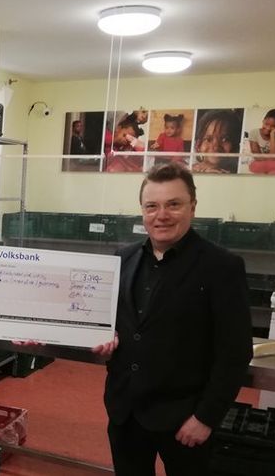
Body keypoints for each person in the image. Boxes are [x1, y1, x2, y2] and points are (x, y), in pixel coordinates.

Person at [92, 162, 253, 476]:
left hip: (185, 420)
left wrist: (206, 418)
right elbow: (114, 323)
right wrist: (107, 337)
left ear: (193, 207)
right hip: (125, 413)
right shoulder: (122, 259)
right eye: (151, 206)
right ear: (142, 210)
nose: (161, 215)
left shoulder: (222, 267)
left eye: (173, 204)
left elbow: (235, 352)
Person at [192, 109, 242, 174]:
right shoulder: (190, 171)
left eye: (224, 139)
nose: (216, 146)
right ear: (198, 145)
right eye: (208, 139)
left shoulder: (240, 173)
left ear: (235, 145)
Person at [248, 109, 275, 175]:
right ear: (263, 120)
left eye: (273, 126)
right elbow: (256, 156)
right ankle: (270, 171)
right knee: (255, 165)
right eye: (266, 124)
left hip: (273, 162)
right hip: (259, 162)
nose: (268, 128)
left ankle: (269, 172)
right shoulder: (254, 132)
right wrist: (270, 160)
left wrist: (272, 135)